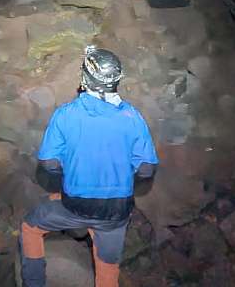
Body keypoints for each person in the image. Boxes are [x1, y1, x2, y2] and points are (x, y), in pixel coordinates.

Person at [20, 45, 159, 287]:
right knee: (107, 268)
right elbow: (147, 169)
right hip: (116, 211)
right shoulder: (132, 117)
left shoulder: (66, 115)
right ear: (116, 80)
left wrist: (74, 172)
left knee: (30, 227)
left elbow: (49, 163)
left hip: (77, 205)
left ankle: (34, 283)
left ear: (85, 77)